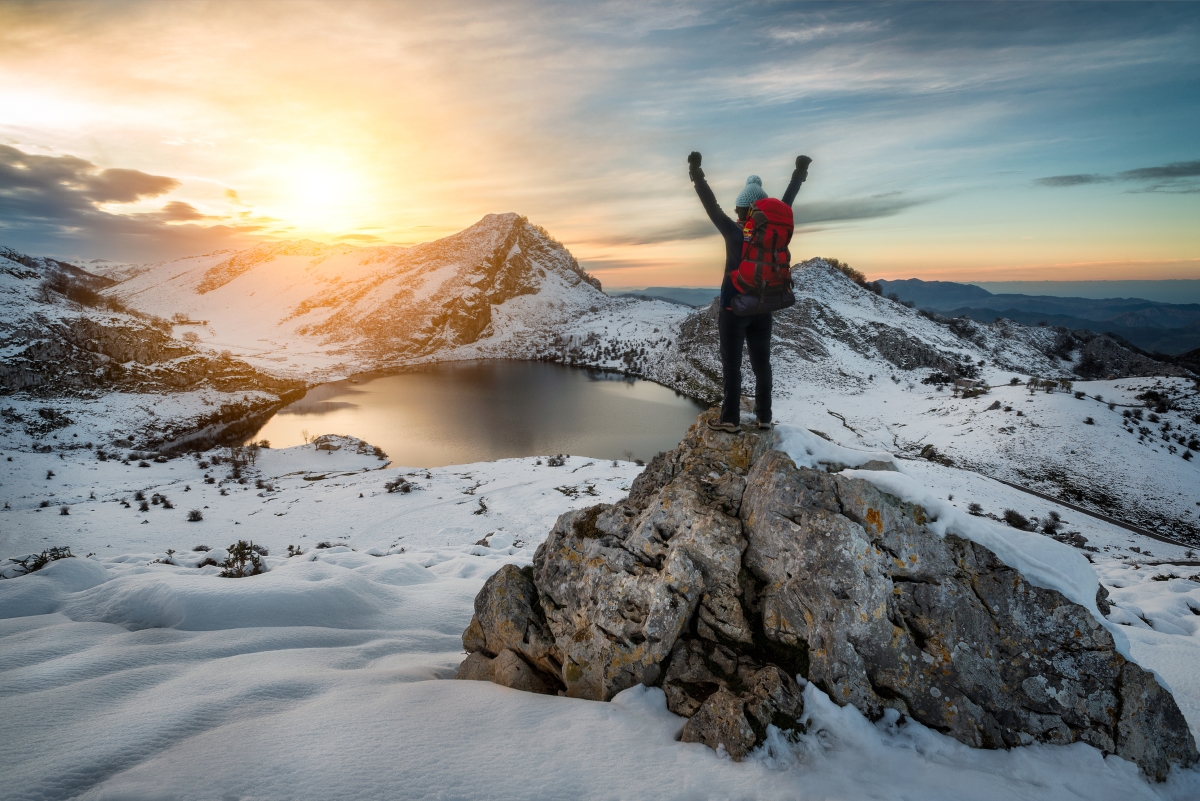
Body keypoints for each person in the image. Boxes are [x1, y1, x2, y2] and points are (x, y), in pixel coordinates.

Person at [688, 152, 811, 433]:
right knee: (762, 364)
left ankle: (730, 419)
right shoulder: (773, 231)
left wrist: (696, 172)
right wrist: (799, 173)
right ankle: (764, 417)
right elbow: (787, 201)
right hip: (764, 307)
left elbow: (710, 204)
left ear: (741, 210)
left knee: (732, 365)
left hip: (733, 308)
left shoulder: (733, 232)